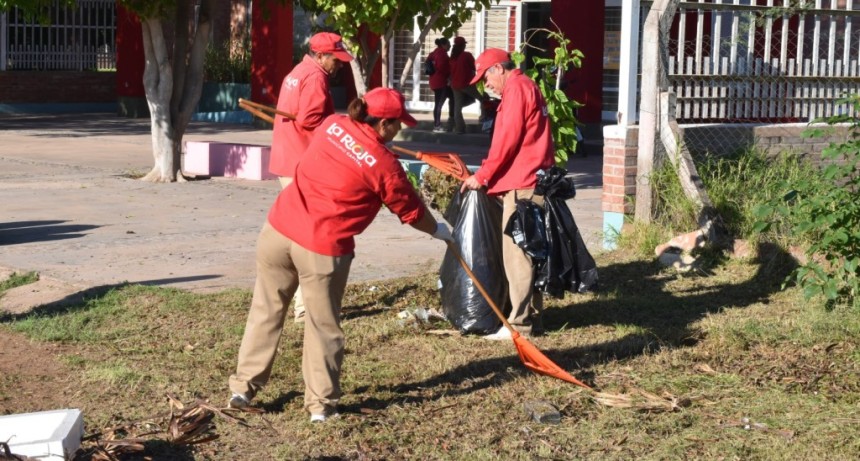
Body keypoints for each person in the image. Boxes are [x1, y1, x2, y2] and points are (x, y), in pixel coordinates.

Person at [228, 88, 454, 422]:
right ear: (383, 123)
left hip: (277, 231)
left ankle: (242, 388)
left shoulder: (333, 125)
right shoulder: (385, 164)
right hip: (320, 247)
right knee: (322, 326)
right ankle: (320, 407)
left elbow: (330, 140)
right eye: (396, 124)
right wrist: (438, 231)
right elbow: (409, 210)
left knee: (265, 310)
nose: (399, 131)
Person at [460, 48, 555, 341]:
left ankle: (519, 325)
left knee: (519, 255)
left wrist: (483, 175)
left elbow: (506, 140)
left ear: (498, 69)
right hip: (532, 179)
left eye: (486, 77)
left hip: (523, 182)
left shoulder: (515, 90)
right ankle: (532, 320)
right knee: (532, 251)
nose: (486, 85)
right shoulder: (527, 85)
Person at [269, 32, 354, 322]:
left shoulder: (298, 70)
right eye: (336, 59)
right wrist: (342, 127)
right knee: (310, 235)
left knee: (298, 230)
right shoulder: (316, 77)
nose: (339, 65)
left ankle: (299, 302)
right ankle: (305, 308)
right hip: (300, 163)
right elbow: (310, 120)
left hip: (287, 159)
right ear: (320, 56)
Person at [449, 36, 480, 134]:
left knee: (457, 108)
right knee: (484, 98)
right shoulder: (466, 55)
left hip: (455, 85)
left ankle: (459, 128)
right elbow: (475, 67)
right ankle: (485, 119)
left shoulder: (452, 57)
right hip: (467, 83)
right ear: (463, 46)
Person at [427, 37, 453, 133]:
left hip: (434, 81)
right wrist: (449, 74)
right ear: (444, 45)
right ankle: (437, 126)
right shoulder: (441, 53)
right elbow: (442, 67)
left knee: (452, 97)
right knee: (439, 104)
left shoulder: (434, 53)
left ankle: (450, 119)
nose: (450, 46)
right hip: (441, 82)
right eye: (448, 44)